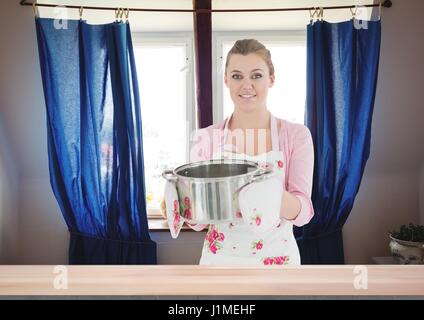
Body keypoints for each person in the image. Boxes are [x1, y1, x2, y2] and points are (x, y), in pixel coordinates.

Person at [172, 39, 314, 266]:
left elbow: (303, 213)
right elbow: (199, 223)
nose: (246, 85)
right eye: (237, 76)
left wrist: (272, 194)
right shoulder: (205, 137)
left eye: (256, 75)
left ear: (271, 79)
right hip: (219, 262)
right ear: (226, 80)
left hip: (278, 261)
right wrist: (180, 204)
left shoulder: (296, 135)